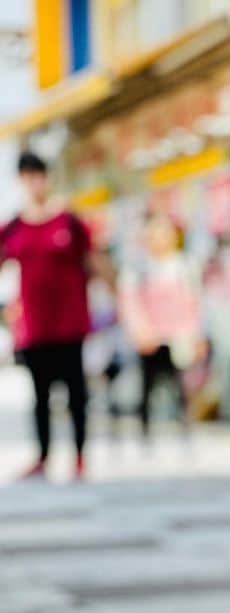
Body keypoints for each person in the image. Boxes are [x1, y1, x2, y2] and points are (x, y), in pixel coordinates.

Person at [0, 151, 93, 480]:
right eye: (27, 176)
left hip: (70, 324)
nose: (34, 182)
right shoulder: (12, 226)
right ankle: (43, 456)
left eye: (38, 175)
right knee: (39, 397)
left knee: (76, 394)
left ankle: (80, 456)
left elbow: (94, 263)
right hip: (34, 327)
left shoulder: (69, 221)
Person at [119, 212, 202, 440]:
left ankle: (185, 427)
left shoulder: (184, 266)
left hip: (178, 337)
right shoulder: (139, 268)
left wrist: (194, 334)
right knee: (148, 386)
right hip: (150, 337)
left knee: (181, 386)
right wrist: (140, 331)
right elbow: (130, 303)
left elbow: (194, 303)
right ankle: (145, 430)